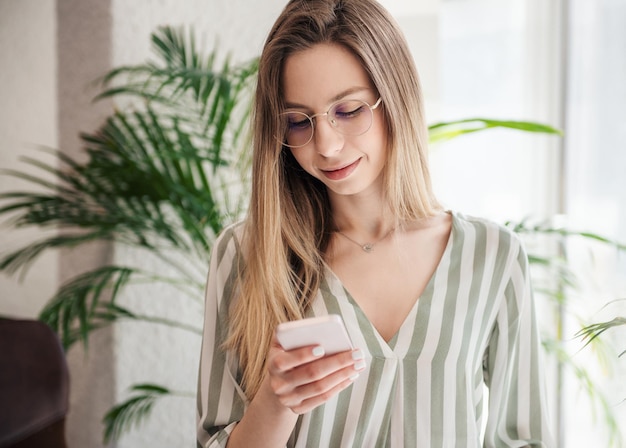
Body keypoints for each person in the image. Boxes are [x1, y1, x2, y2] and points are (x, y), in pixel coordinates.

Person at [196, 0, 553, 446]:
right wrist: (276, 400)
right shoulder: (245, 254)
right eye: (297, 121)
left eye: (348, 110)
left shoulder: (493, 256)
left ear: (396, 98)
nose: (325, 144)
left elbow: (527, 439)